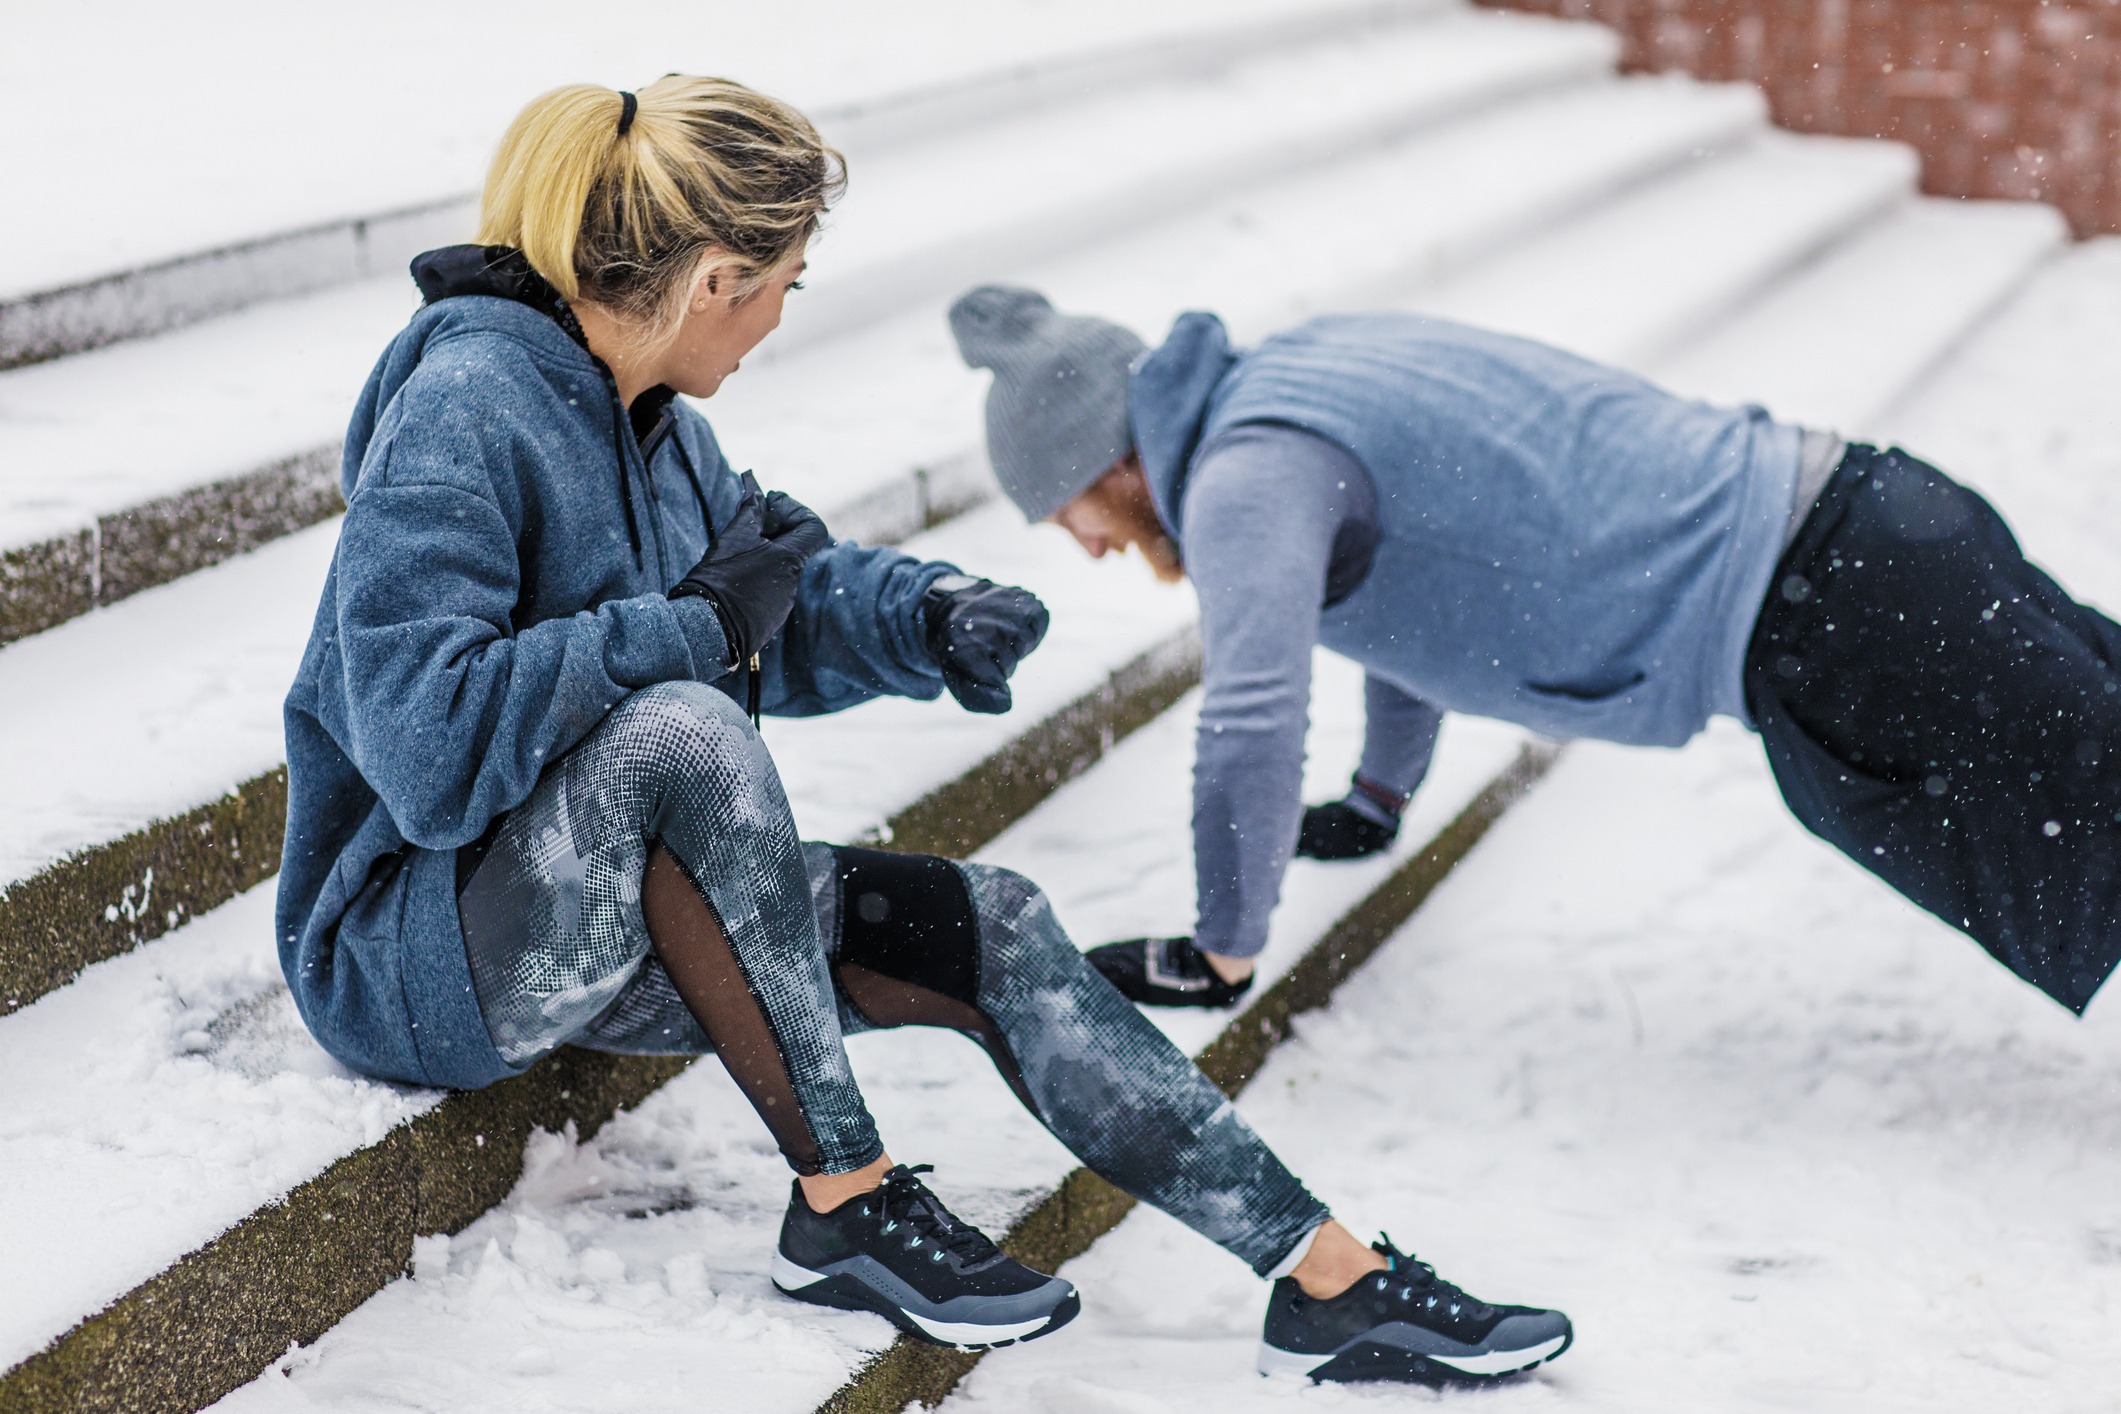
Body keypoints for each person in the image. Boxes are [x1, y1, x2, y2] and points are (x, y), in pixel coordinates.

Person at [276, 77, 1572, 1385]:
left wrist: (922, 618)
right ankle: (844, 1196)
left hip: (602, 903)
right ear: (716, 276)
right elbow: (427, 745)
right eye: (784, 281)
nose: (781, 316)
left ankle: (1326, 1277)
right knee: (680, 731)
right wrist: (685, 629)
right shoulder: (465, 409)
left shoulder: (656, 430)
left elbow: (762, 599)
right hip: (409, 950)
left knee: (986, 918)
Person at [949, 284, 2121, 1019]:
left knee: (2097, 841)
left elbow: (1252, 712)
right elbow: (1398, 594)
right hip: (1882, 534)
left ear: (1108, 463)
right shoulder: (1300, 374)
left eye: (1067, 517)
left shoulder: (1246, 481)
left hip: (1835, 624)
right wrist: (1379, 791)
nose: (1090, 550)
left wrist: (1220, 949)